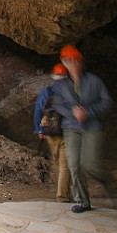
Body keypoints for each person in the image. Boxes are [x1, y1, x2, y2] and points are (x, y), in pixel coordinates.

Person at [50, 45, 116, 213]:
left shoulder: (94, 81)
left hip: (91, 126)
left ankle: (106, 180)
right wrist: (72, 112)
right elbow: (57, 104)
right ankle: (83, 201)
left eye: (74, 61)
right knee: (74, 165)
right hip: (71, 127)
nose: (72, 64)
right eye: (68, 61)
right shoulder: (63, 85)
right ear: (64, 63)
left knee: (90, 164)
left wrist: (89, 112)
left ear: (80, 62)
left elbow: (106, 101)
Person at [34, 63, 72, 203]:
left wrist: (39, 129)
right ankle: (63, 196)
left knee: (58, 164)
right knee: (65, 167)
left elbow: (38, 110)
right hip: (67, 133)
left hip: (51, 133)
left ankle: (64, 191)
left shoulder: (47, 92)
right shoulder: (72, 92)